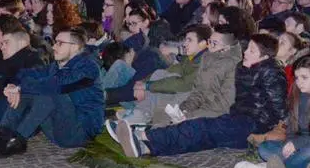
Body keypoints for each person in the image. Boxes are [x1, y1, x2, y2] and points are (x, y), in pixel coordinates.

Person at [111, 33, 288, 157]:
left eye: (251, 51)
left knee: (200, 128)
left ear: (264, 57)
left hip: (254, 124)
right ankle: (144, 144)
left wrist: (270, 131)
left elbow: (279, 108)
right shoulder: (245, 69)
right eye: (247, 48)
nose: (245, 53)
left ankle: (145, 140)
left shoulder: (271, 73)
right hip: (239, 117)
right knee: (199, 136)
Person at [0, 27, 104, 156]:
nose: (54, 47)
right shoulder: (55, 66)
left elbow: (58, 85)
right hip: (57, 132)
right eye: (55, 42)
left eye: (60, 43)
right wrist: (14, 86)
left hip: (82, 132)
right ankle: (2, 138)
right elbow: (27, 74)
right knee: (28, 90)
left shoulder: (89, 67)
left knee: (48, 92)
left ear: (75, 47)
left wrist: (21, 87)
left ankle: (20, 139)